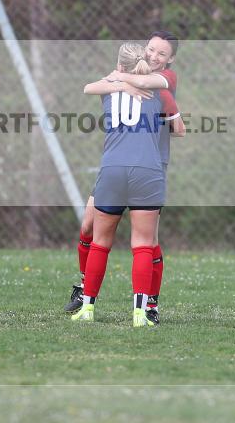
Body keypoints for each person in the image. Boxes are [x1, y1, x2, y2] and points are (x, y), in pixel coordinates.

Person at [64, 31, 179, 325]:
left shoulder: (163, 84)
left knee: (142, 241)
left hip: (142, 165)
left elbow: (178, 128)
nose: (155, 56)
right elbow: (93, 85)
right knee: (91, 226)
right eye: (151, 50)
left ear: (170, 60)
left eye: (161, 54)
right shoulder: (135, 86)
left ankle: (148, 304)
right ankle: (90, 292)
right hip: (130, 168)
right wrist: (123, 82)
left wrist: (120, 81)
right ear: (143, 53)